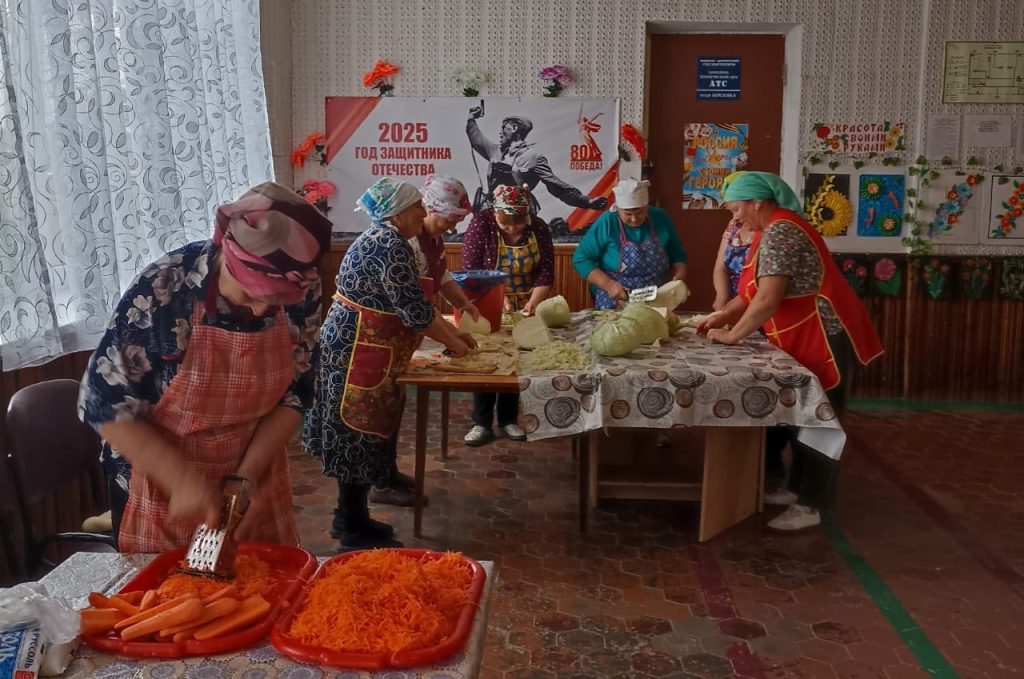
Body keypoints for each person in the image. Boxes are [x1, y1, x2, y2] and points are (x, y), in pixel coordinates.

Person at [78, 181, 332, 552]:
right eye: (250, 293)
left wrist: (244, 480)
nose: (262, 309)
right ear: (226, 254)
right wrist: (183, 483)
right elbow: (102, 402)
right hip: (160, 480)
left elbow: (297, 392)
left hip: (253, 469)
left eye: (276, 301)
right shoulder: (162, 291)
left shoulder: (302, 285)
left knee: (263, 581)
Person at [700, 171, 883, 531]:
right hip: (802, 336)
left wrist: (732, 336)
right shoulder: (769, 229)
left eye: (736, 208)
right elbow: (752, 292)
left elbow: (768, 299)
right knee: (802, 417)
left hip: (825, 336)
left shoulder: (783, 231)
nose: (735, 218)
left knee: (820, 422)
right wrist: (721, 317)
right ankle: (796, 488)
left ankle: (812, 506)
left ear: (757, 202)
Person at [304, 177, 475, 549]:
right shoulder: (389, 245)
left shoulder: (389, 239)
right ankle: (350, 526)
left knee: (367, 428)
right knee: (355, 430)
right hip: (355, 350)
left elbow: (417, 304)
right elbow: (416, 312)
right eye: (417, 208)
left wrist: (455, 334)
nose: (421, 213)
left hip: (370, 348)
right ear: (398, 212)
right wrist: (455, 344)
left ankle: (356, 515)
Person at [368, 175, 481, 507]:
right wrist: (453, 340)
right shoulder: (407, 245)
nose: (453, 225)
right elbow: (418, 307)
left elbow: (441, 278)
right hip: (379, 340)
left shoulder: (431, 239)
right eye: (449, 218)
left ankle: (386, 474)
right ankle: (378, 482)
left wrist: (464, 306)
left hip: (399, 337)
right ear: (427, 210)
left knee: (392, 407)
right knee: (377, 414)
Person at [461, 184, 553, 446]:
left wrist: (533, 303)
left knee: (516, 359)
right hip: (487, 299)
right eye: (505, 223)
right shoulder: (482, 224)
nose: (512, 229)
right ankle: (481, 422)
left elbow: (546, 271)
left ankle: (508, 419)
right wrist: (497, 299)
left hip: (525, 302)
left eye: (518, 223)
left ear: (528, 215)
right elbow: (471, 269)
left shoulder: (539, 228)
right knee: (487, 356)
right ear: (495, 214)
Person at [467, 105, 608, 215]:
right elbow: (476, 139)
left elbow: (556, 186)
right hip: (491, 212)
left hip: (519, 216)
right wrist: (471, 119)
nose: (500, 132)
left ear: (515, 128)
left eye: (504, 127)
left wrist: (585, 202)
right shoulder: (495, 151)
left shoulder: (533, 158)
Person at [572, 178, 688, 309]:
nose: (634, 219)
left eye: (640, 212)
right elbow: (581, 259)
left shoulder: (661, 218)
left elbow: (677, 254)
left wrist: (678, 278)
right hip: (617, 297)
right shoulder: (607, 221)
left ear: (646, 206)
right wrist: (609, 285)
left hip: (657, 296)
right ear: (618, 209)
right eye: (627, 213)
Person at [712, 217, 755, 311]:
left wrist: (733, 308)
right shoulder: (734, 224)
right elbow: (720, 267)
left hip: (755, 305)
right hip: (730, 305)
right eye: (733, 211)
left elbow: (763, 288)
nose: (736, 217)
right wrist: (722, 297)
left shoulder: (768, 231)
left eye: (737, 210)